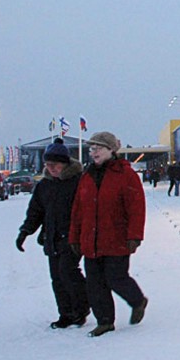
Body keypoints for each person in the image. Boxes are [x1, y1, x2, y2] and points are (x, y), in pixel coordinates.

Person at [69, 131, 148, 338]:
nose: (93, 152)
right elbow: (78, 210)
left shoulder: (125, 174)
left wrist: (135, 235)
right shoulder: (86, 176)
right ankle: (104, 321)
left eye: (98, 148)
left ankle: (137, 300)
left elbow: (136, 207)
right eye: (91, 149)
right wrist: (74, 238)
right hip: (91, 240)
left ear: (111, 150)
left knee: (116, 277)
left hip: (116, 238)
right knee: (94, 283)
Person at [15, 139, 90, 329]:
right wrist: (25, 231)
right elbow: (35, 211)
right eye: (48, 165)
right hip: (51, 238)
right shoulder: (44, 185)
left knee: (68, 272)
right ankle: (65, 313)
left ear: (65, 164)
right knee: (56, 277)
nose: (51, 168)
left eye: (55, 165)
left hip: (72, 237)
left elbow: (87, 209)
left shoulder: (78, 182)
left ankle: (81, 309)